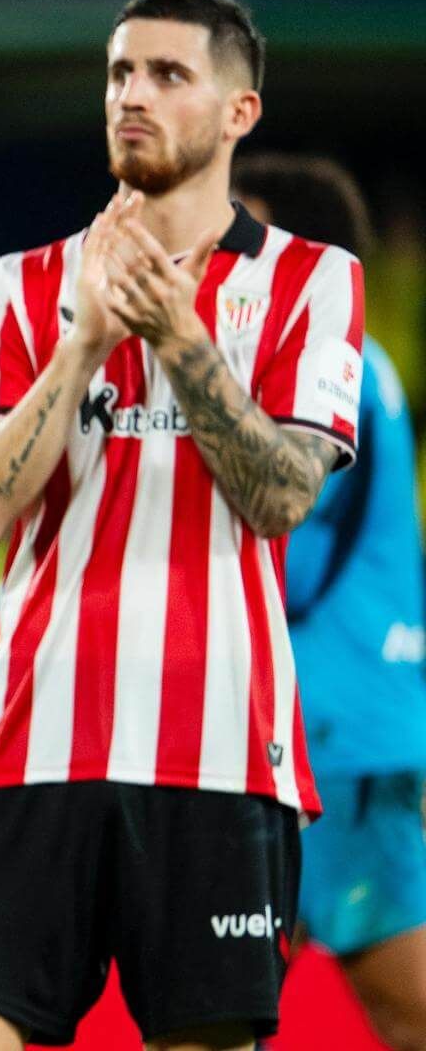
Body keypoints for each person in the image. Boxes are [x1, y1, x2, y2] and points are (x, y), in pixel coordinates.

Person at [0, 0, 366, 1051]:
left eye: (169, 75)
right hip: (32, 750)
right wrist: (79, 345)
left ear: (237, 113)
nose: (134, 95)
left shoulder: (314, 283)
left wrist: (178, 338)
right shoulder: (19, 287)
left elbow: (284, 495)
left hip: (221, 758)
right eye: (122, 73)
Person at [232, 153, 426, 1051]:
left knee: (218, 1009)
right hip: (343, 732)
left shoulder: (328, 370)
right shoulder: (362, 364)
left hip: (321, 742)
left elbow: (284, 558)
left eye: (243, 228)